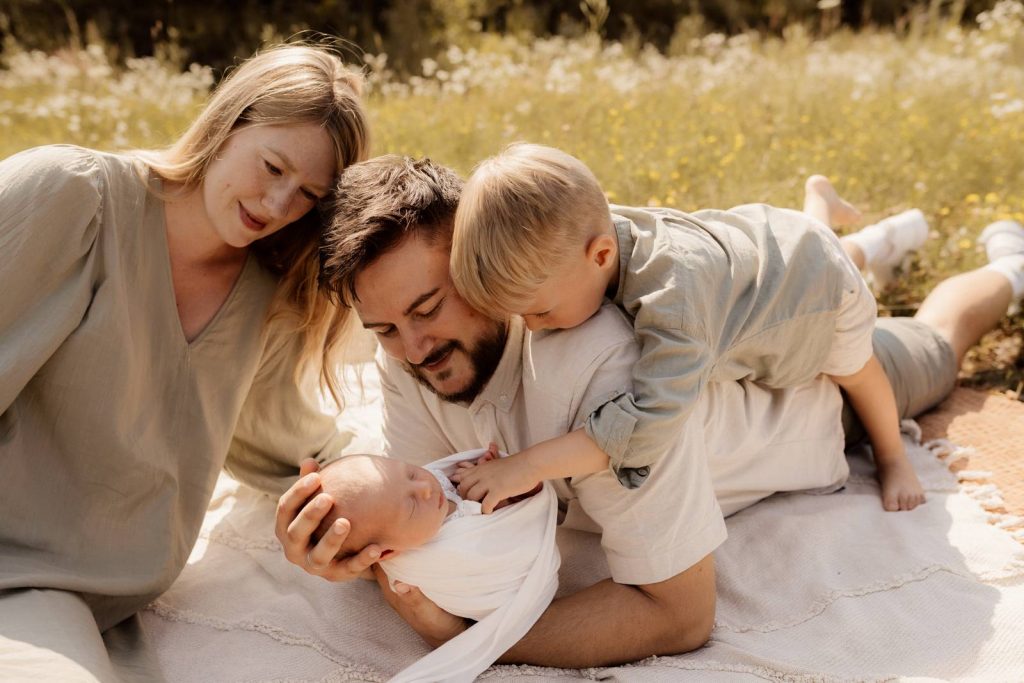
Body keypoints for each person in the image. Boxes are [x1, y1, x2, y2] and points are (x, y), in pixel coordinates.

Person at [276, 153, 1024, 669]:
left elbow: (677, 613)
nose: (412, 349)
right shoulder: (410, 355)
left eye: (428, 308)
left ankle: (1005, 267)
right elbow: (417, 526)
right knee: (801, 261)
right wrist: (347, 535)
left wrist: (476, 638)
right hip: (734, 297)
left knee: (932, 344)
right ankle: (839, 235)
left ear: (482, 262)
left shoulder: (602, 369)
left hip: (811, 397)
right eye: (383, 330)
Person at [0, 43, 370, 682]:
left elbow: (291, 447)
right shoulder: (74, 196)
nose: (279, 206)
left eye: (307, 194)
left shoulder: (266, 298)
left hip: (79, 597)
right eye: (273, 166)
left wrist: (387, 496)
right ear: (229, 122)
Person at [448, 143, 929, 514]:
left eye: (539, 313)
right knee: (816, 240)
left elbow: (651, 419)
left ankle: (892, 457)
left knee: (858, 369)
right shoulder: (587, 235)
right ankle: (822, 201)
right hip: (774, 244)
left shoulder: (674, 304)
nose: (531, 330)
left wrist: (527, 465)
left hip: (817, 296)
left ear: (600, 256)